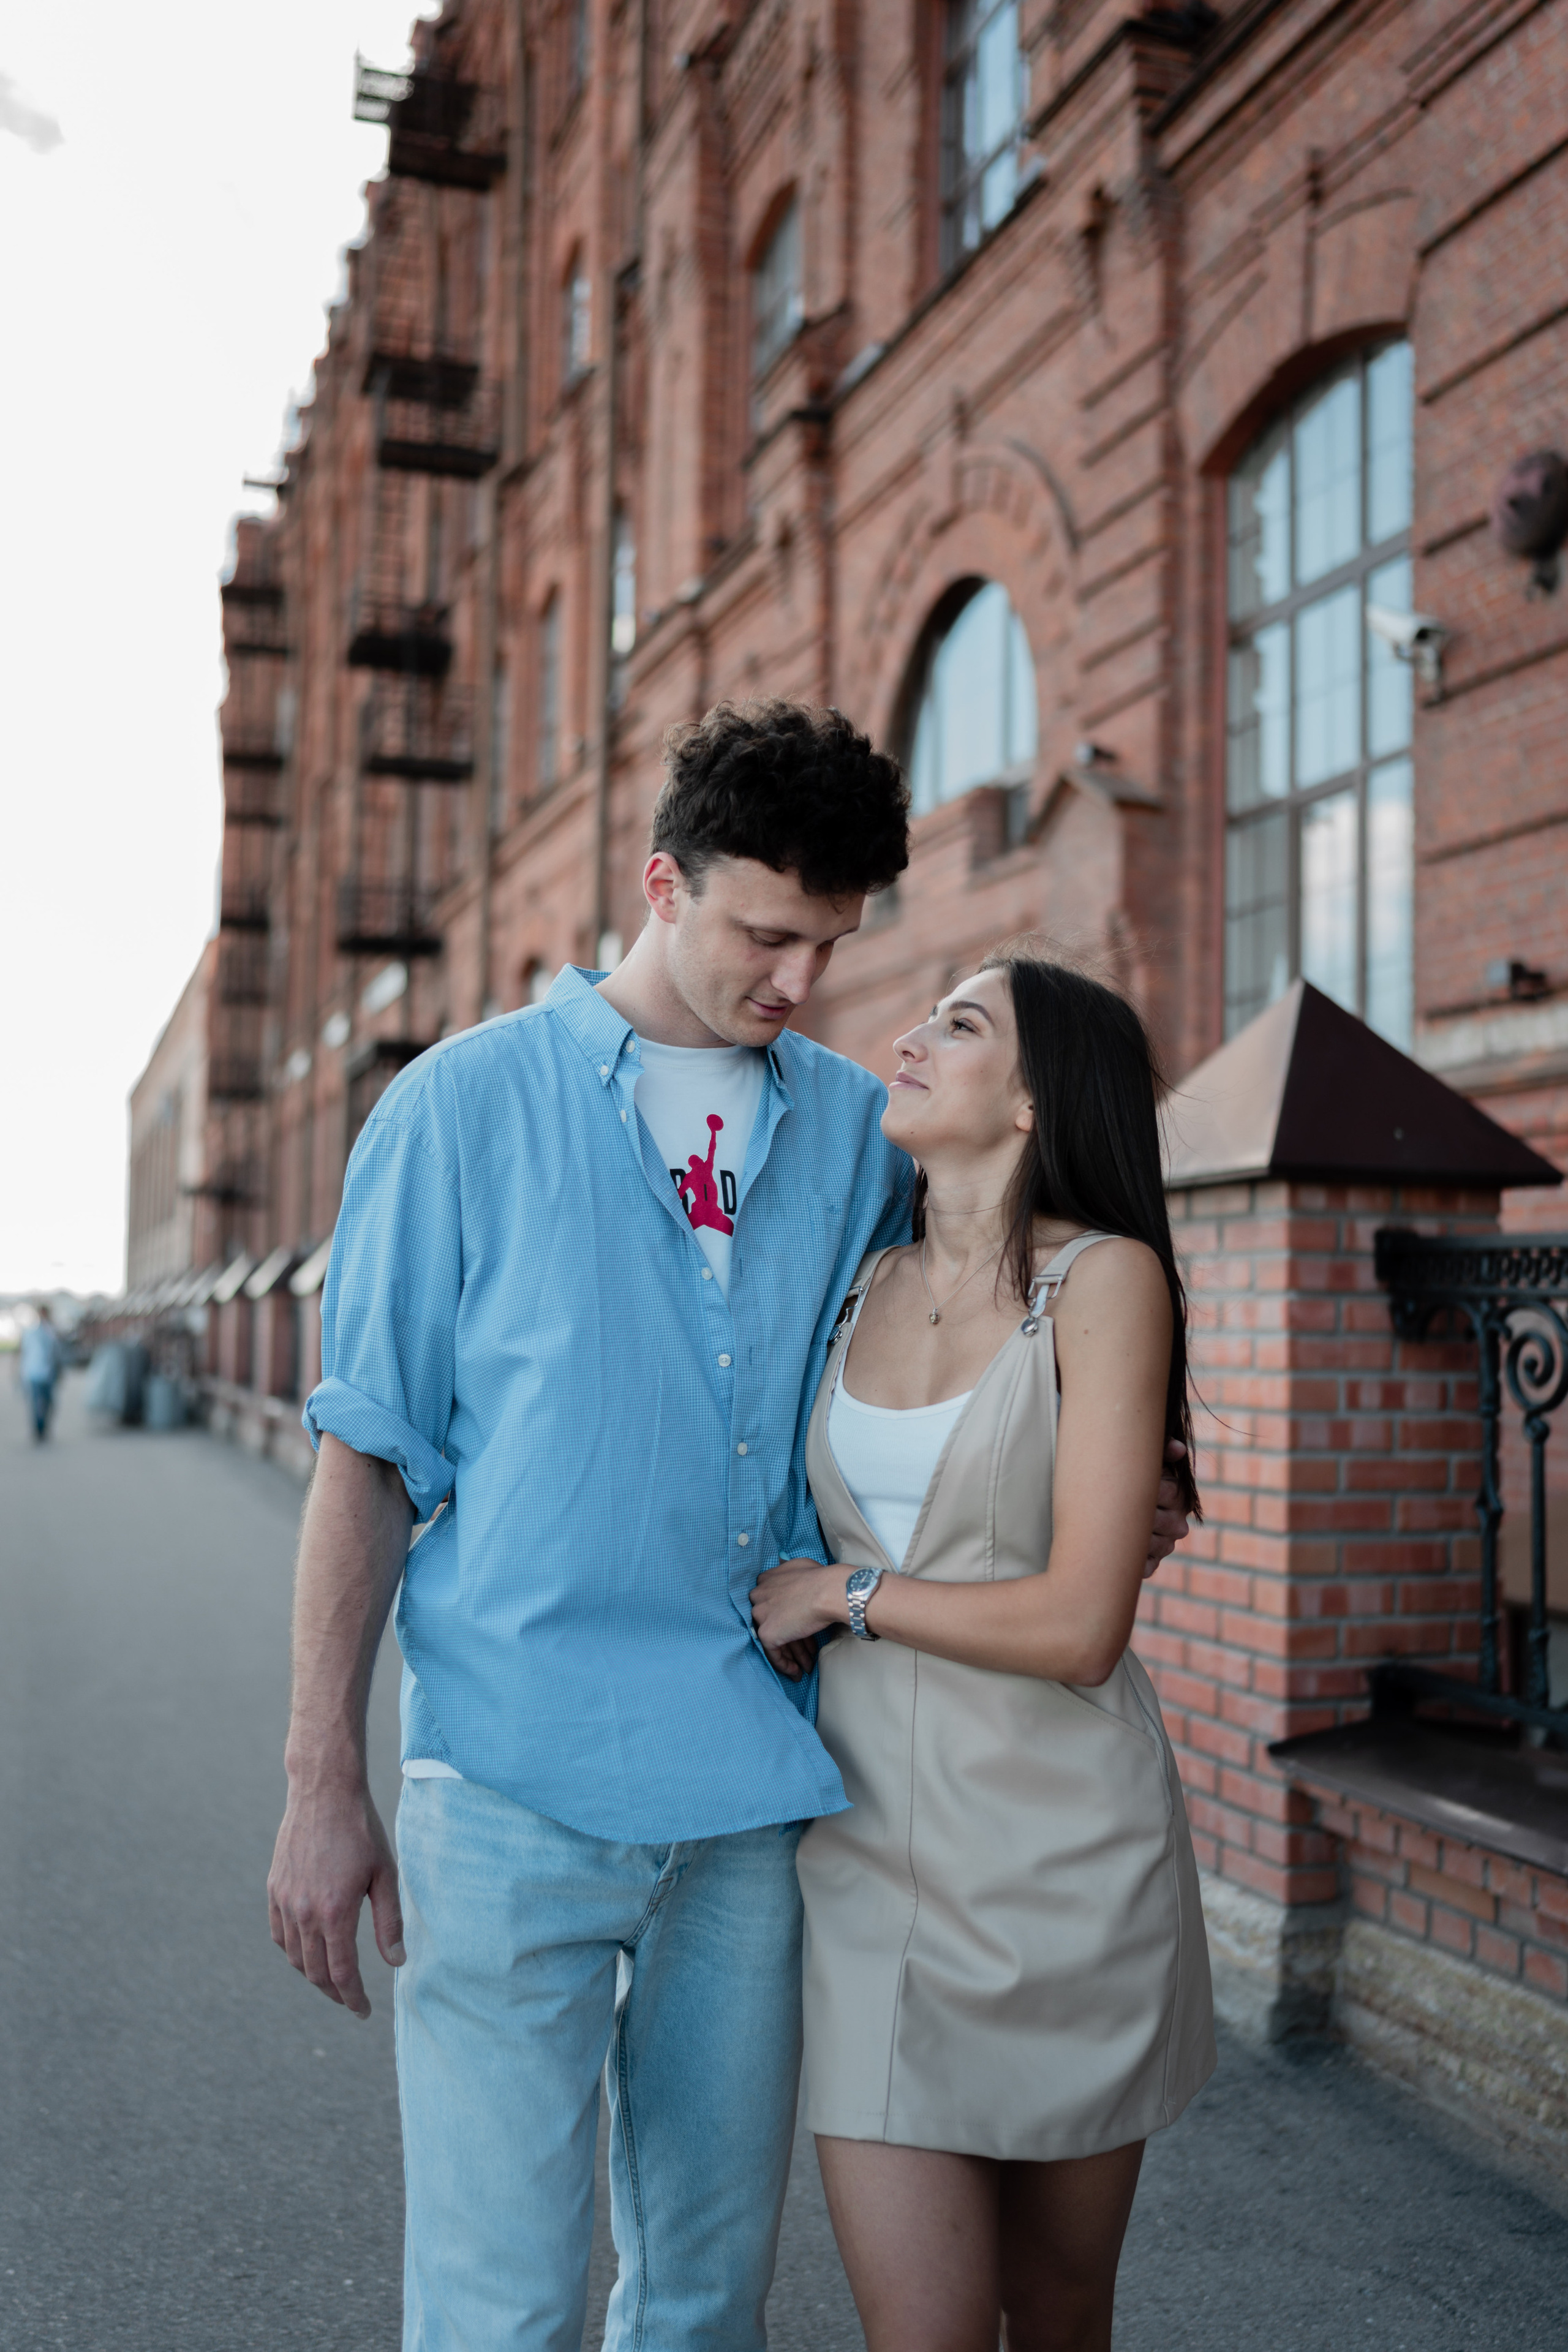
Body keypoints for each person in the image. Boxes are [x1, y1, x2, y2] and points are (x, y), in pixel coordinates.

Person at [266, 702, 1192, 2352]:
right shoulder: (459, 1108)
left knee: (703, 2304)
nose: (800, 980)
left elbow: (1011, 1302)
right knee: (498, 2307)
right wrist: (320, 1781)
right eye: (766, 934)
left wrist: (1121, 1480)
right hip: (511, 1781)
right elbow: (368, 1457)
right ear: (663, 883)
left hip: (757, 1812)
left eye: (831, 942)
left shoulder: (854, 1126)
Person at [750, 950, 1216, 2352]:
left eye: (955, 1024)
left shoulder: (1104, 1279)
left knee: (1061, 2313)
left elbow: (1079, 1628)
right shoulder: (852, 1280)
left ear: (1030, 1102)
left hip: (1063, 1866)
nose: (904, 1037)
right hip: (864, 1872)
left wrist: (843, 1592)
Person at [20, 1303, 63, 1441]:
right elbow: (23, 1352)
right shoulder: (31, 1332)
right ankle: (39, 1429)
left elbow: (57, 1353)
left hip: (49, 1373)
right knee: (36, 1402)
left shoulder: (52, 1332)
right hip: (34, 1372)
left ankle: (44, 1425)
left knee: (49, 1402)